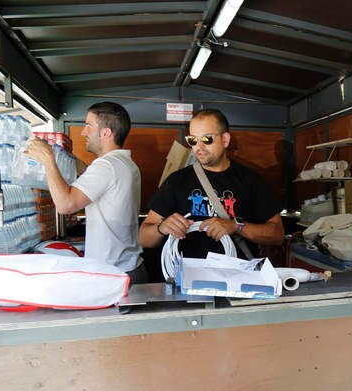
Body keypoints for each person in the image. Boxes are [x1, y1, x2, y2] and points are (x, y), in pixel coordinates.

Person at [139, 108, 284, 261]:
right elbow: (143, 238)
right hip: (190, 278)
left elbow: (277, 234)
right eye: (193, 140)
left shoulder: (249, 179)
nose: (199, 147)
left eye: (207, 139)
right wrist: (161, 228)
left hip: (238, 277)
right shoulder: (177, 181)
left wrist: (236, 226)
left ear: (225, 140)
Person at [24, 101, 145, 283]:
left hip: (113, 273)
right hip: (128, 268)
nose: (83, 132)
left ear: (106, 132)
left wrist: (48, 159)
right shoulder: (125, 163)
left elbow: (66, 205)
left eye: (88, 125)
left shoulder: (106, 165)